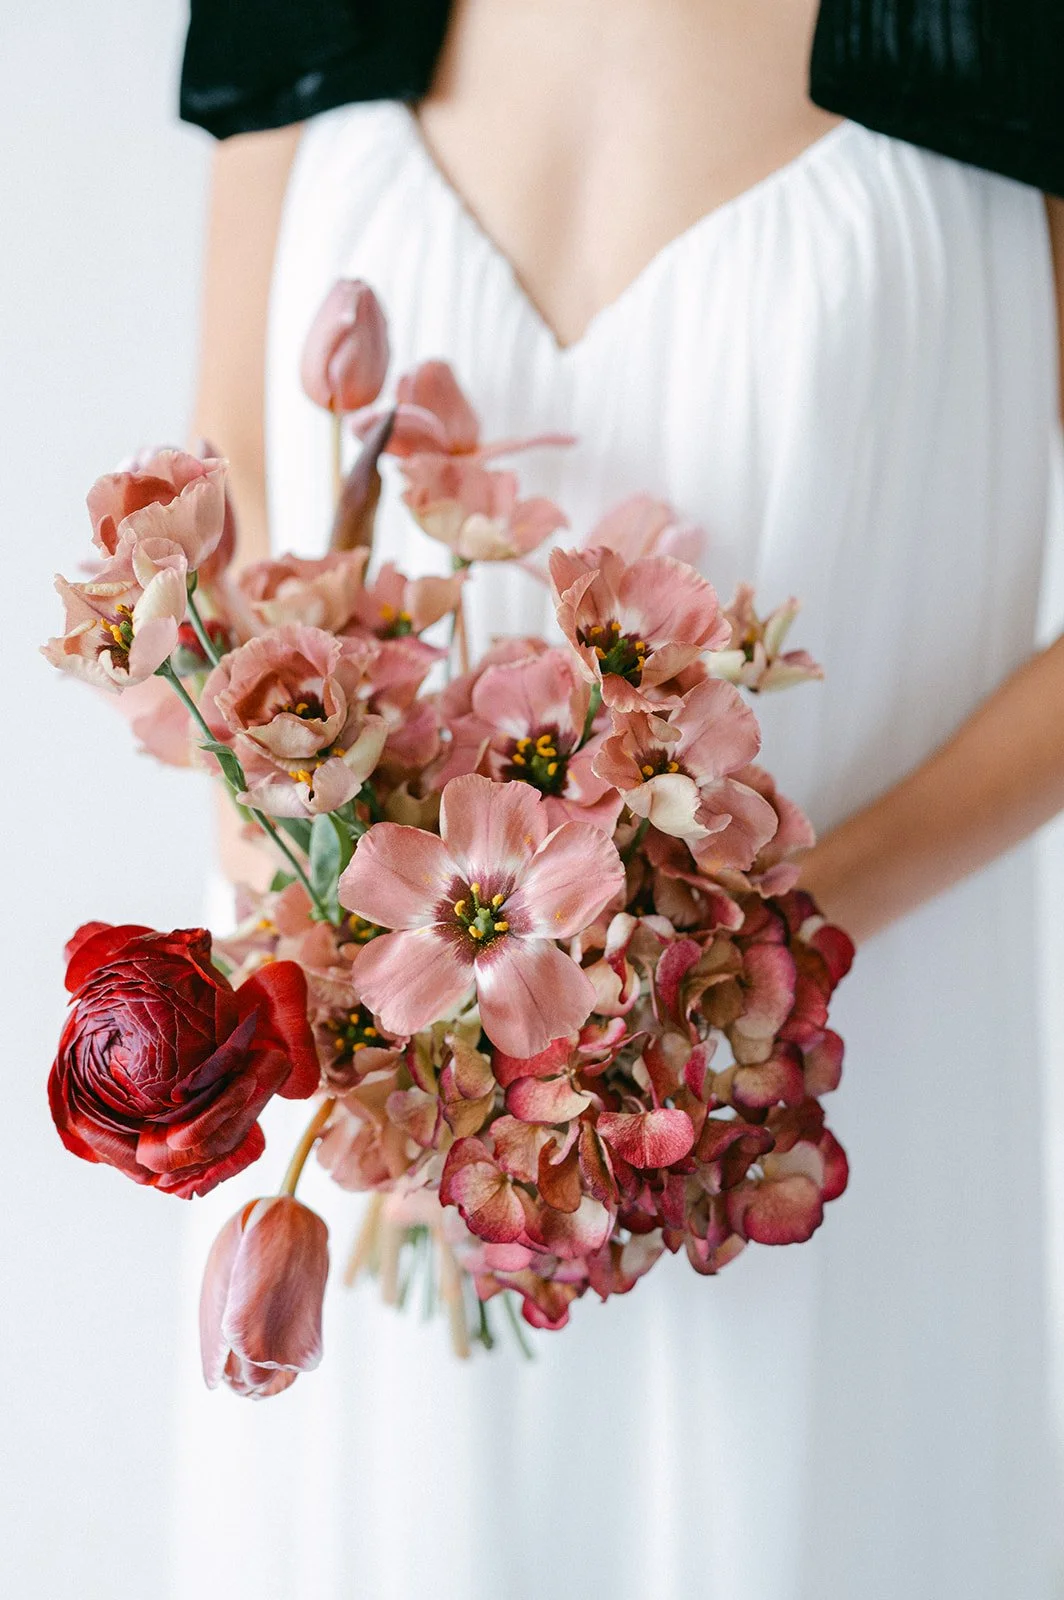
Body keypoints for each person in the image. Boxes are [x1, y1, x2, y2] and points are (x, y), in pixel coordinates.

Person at [173, 3, 1064, 1597]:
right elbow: (227, 507)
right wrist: (333, 926)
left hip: (825, 1149)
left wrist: (736, 968)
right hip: (372, 1188)